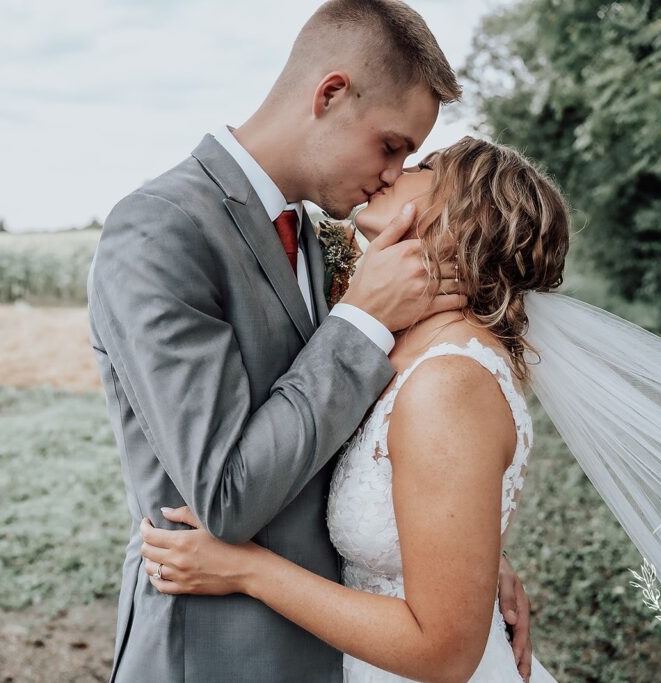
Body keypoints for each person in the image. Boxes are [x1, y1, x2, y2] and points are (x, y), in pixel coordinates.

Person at [139, 136, 661, 682]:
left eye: (426, 165)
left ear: (462, 216)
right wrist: (479, 560)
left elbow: (444, 652)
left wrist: (249, 569)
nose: (397, 169)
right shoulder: (399, 345)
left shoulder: (449, 381)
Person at [86, 3, 533, 682]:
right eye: (392, 145)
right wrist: (359, 320)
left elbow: (348, 443)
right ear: (330, 95)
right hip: (215, 654)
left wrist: (459, 557)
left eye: (409, 158)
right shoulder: (161, 232)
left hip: (336, 649)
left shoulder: (320, 243)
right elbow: (226, 495)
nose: (393, 175)